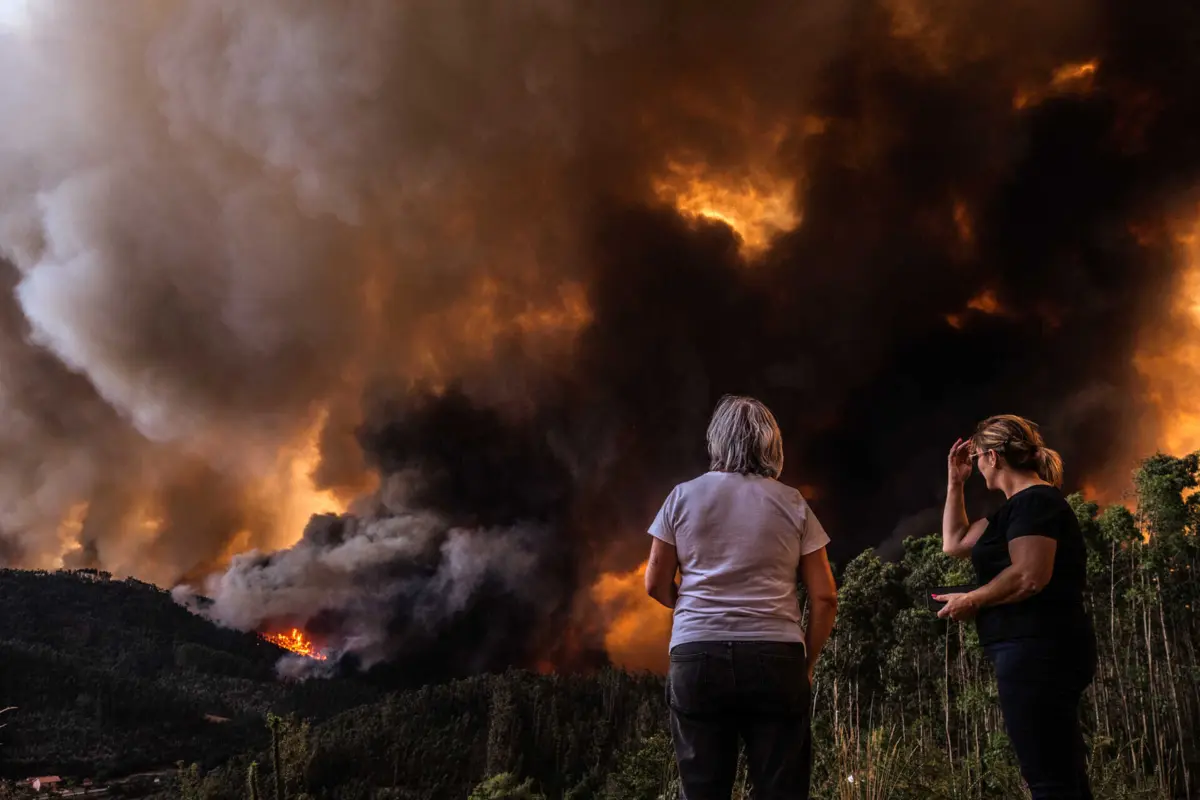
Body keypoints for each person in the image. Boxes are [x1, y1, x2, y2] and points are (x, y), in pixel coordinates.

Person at [644, 395, 838, 800]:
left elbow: (655, 583)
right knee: (780, 790)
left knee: (701, 791)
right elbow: (824, 599)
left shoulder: (682, 497)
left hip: (698, 657)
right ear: (771, 444)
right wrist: (808, 662)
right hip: (776, 657)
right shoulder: (793, 503)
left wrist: (691, 608)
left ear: (717, 440)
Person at [934, 414, 1096, 799]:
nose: (976, 466)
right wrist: (956, 482)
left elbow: (1029, 575)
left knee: (1047, 778)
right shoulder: (1012, 511)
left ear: (993, 457)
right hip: (1029, 651)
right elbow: (954, 543)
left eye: (976, 458)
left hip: (1039, 649)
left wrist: (972, 599)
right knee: (1061, 773)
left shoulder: (1036, 502)